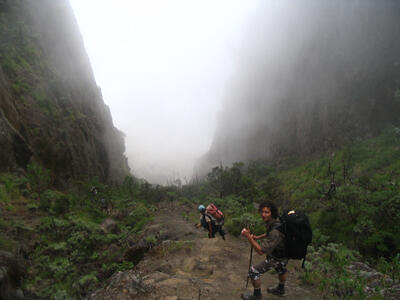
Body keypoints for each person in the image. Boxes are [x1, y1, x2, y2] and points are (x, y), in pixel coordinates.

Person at [240, 201, 288, 300]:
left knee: (254, 272)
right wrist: (257, 237)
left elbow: (261, 251)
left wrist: (249, 237)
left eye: (266, 212)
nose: (263, 214)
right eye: (262, 212)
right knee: (281, 269)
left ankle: (256, 296)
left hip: (277, 256)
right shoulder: (276, 222)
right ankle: (280, 289)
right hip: (284, 254)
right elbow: (269, 233)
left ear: (272, 213)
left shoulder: (275, 230)